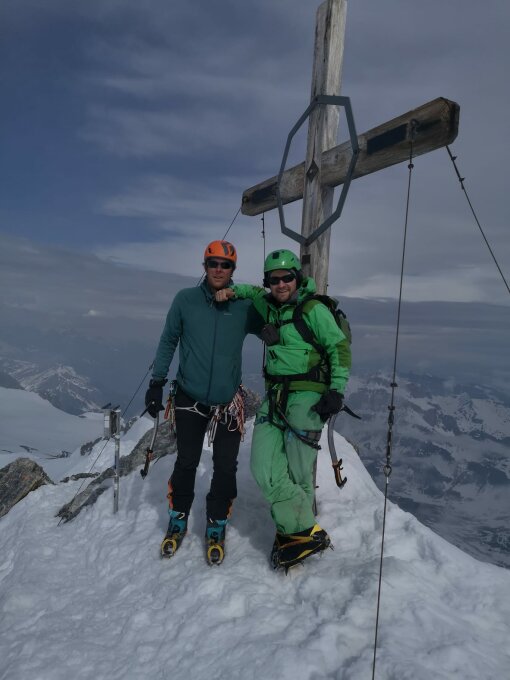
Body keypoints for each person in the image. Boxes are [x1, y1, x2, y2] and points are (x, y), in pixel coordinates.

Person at [215, 248, 351, 571]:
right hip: (276, 396)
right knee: (262, 466)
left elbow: (338, 347)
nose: (280, 284)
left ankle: (294, 533)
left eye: (287, 278)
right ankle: (305, 532)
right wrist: (233, 290)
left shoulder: (313, 309)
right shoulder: (268, 305)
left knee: (299, 471)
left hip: (308, 396)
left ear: (297, 278)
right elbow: (253, 293)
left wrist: (336, 390)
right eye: (274, 280)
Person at [145, 240, 263, 565]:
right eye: (213, 263)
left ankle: (217, 522)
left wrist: (246, 295)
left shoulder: (244, 306)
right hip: (189, 395)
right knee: (187, 460)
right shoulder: (185, 300)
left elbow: (271, 309)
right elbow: (169, 339)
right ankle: (178, 517)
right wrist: (156, 382)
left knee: (225, 465)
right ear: (205, 266)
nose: (219, 270)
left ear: (233, 270)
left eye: (226, 265)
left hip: (227, 400)